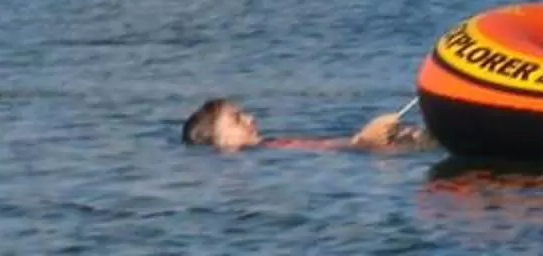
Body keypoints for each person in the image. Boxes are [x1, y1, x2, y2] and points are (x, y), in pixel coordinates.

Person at [179, 98, 426, 152]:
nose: (251, 118)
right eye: (237, 119)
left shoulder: (272, 145)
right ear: (220, 141)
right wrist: (366, 140)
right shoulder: (275, 151)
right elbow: (325, 149)